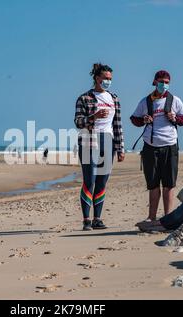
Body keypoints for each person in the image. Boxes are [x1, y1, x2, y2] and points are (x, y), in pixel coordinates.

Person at [131, 70, 183, 223]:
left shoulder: (175, 100)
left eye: (166, 82)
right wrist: (144, 119)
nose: (163, 84)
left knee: (169, 184)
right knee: (152, 184)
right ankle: (151, 217)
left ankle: (167, 217)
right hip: (150, 147)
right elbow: (134, 119)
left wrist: (175, 118)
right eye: (161, 81)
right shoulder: (146, 101)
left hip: (170, 146)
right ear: (154, 82)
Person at [74, 63, 125, 231]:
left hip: (108, 140)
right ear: (97, 78)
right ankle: (86, 220)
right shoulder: (84, 98)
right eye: (105, 78)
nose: (108, 82)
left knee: (102, 181)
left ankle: (97, 218)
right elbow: (78, 122)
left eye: (110, 79)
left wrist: (120, 148)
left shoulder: (114, 98)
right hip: (89, 139)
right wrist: (93, 116)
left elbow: (118, 125)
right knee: (90, 180)